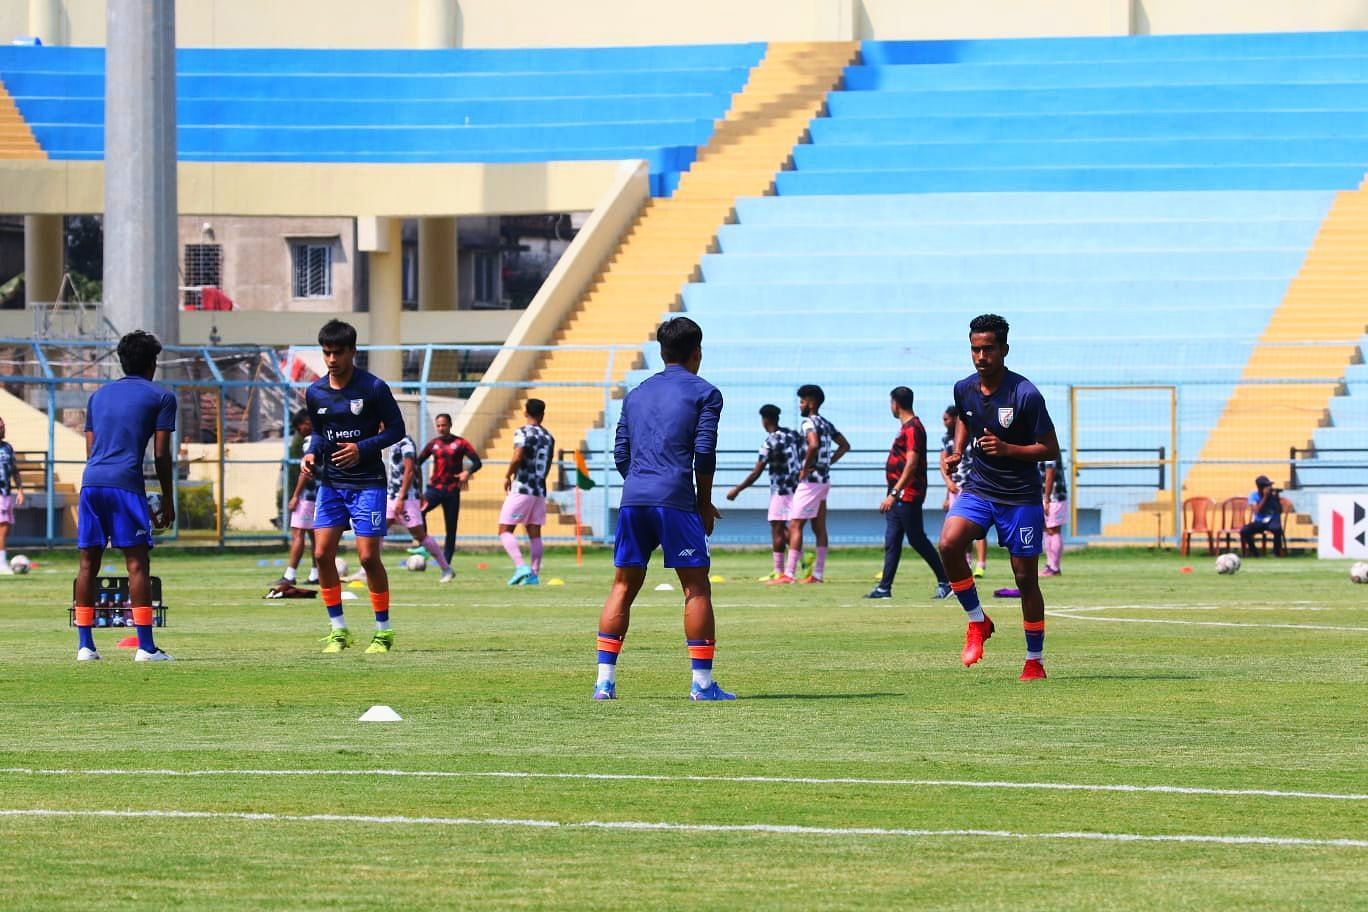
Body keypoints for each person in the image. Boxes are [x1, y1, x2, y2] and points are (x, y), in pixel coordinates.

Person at [593, 316, 733, 701]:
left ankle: (604, 683)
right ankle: (702, 686)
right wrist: (702, 503)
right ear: (697, 353)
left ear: (661, 351)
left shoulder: (636, 394)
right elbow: (704, 452)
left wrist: (640, 483)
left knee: (622, 586)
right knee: (696, 587)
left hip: (634, 499)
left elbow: (621, 451)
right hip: (676, 500)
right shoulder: (706, 393)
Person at [939, 314, 1061, 682]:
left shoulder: (1025, 394)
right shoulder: (964, 388)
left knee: (1025, 578)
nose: (980, 356)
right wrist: (958, 449)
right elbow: (965, 415)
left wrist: (1008, 448)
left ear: (1004, 350)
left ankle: (1034, 660)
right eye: (975, 349)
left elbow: (1050, 448)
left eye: (988, 349)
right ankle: (978, 622)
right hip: (979, 488)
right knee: (948, 544)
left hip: (1021, 498)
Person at [301, 319, 405, 654]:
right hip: (331, 483)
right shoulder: (315, 391)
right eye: (326, 353)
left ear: (352, 352)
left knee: (368, 557)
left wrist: (363, 447)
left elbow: (396, 429)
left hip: (368, 484)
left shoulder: (373, 388)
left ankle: (383, 632)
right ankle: (338, 630)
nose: (331, 359)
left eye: (338, 353)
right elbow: (319, 432)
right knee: (320, 554)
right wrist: (311, 453)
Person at [72, 330, 177, 662]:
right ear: (153, 363)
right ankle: (146, 647)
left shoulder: (98, 397)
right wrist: (167, 499)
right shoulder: (161, 397)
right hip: (125, 485)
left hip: (91, 482)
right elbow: (161, 454)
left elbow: (90, 448)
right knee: (137, 563)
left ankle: (85, 646)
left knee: (88, 563)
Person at [866, 387, 952, 600]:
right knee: (892, 539)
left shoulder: (913, 427)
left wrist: (894, 492)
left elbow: (912, 463)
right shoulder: (905, 427)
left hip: (907, 493)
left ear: (896, 403)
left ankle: (946, 582)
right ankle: (884, 588)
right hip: (898, 493)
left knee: (916, 538)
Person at [772, 384, 849, 585]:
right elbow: (845, 445)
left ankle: (789, 574)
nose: (800, 406)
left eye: (802, 401)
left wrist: (806, 467)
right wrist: (827, 463)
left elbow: (813, 444)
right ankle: (818, 575)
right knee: (819, 527)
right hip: (824, 481)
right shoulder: (826, 423)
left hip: (811, 482)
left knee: (795, 523)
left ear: (811, 402)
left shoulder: (808, 423)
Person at [725, 404, 803, 581]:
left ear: (765, 420)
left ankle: (780, 571)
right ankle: (801, 560)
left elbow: (756, 472)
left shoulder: (770, 442)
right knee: (790, 528)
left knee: (777, 527)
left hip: (781, 490)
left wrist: (737, 490)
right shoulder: (792, 435)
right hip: (798, 486)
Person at [500, 399, 555, 586]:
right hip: (539, 489)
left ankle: (520, 566)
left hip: (522, 487)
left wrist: (508, 475)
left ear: (525, 413)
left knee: (505, 529)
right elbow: (547, 464)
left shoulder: (523, 432)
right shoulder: (549, 437)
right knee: (534, 533)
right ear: (543, 414)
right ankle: (534, 574)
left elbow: (518, 455)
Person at [386, 433, 455, 583]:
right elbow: (416, 469)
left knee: (419, 535)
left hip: (405, 498)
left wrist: (402, 497)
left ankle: (446, 568)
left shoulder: (405, 442)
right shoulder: (392, 441)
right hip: (391, 496)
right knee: (378, 530)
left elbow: (411, 470)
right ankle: (365, 571)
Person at [416, 413, 481, 566]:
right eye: (438, 425)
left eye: (443, 425)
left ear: (450, 425)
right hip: (435, 489)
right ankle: (425, 546)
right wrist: (417, 484)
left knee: (451, 527)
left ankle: (446, 561)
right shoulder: (433, 444)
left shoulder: (461, 443)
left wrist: (467, 472)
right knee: (419, 512)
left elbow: (477, 462)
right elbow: (417, 463)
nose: (441, 428)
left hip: (452, 490)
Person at [940, 405, 987, 578]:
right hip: (956, 487)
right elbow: (944, 464)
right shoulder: (947, 440)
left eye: (946, 419)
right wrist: (948, 487)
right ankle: (966, 560)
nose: (944, 423)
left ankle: (981, 564)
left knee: (978, 528)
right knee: (959, 530)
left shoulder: (973, 435)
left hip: (974, 486)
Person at [280, 409, 319, 586]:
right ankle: (315, 574)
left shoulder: (310, 441)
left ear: (307, 423)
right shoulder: (326, 436)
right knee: (315, 536)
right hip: (322, 495)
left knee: (298, 533)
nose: (299, 431)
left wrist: (295, 495)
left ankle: (289, 575)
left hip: (308, 495)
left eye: (300, 426)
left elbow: (306, 470)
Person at [1240, 474, 1286, 557]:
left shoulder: (1273, 496)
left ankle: (1276, 553)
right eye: (1267, 486)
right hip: (1259, 521)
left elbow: (1280, 511)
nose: (1269, 488)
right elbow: (1257, 510)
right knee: (1244, 531)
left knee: (1277, 529)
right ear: (1260, 487)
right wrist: (1265, 497)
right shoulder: (1253, 495)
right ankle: (1255, 553)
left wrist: (1276, 499)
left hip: (1272, 521)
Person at [0, 416, 23, 575]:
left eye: (3, 425)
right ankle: (1, 564)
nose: (2, 427)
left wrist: (20, 489)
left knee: (4, 531)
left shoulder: (7, 447)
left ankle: (1, 562)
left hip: (6, 495)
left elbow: (14, 470)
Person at [1040, 457, 1068, 576]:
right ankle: (1050, 565)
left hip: (1054, 497)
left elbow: (1050, 472)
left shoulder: (1049, 448)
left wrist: (1047, 498)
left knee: (1053, 530)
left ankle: (1055, 567)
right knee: (1046, 529)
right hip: (1045, 496)